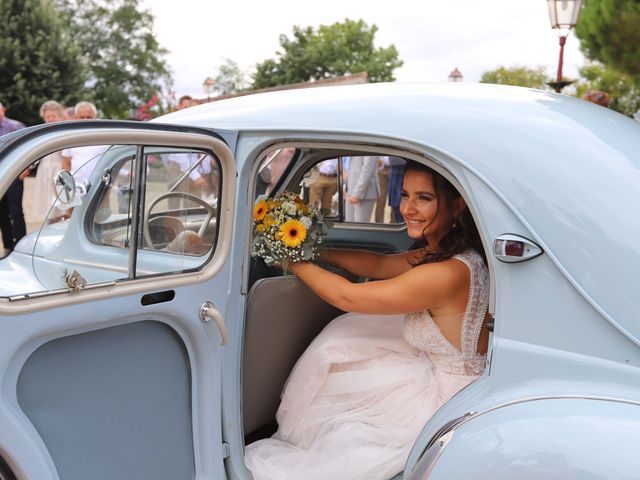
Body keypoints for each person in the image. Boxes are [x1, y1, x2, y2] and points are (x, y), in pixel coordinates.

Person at [245, 161, 489, 480]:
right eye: (404, 195)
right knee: (343, 341)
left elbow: (348, 296)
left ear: (456, 205)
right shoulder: (450, 254)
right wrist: (316, 251)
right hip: (444, 375)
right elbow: (379, 264)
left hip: (448, 397)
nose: (408, 208)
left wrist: (293, 261)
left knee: (345, 421)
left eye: (424, 198)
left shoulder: (446, 273)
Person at [29, 101, 66, 223]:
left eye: (53, 116)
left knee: (59, 201)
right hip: (45, 170)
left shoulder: (65, 132)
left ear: (60, 117)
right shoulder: (42, 133)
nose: (50, 119)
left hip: (59, 168)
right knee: (46, 202)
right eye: (47, 117)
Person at [0, 101, 27, 257]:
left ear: (3, 110)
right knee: (1, 212)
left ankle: (21, 245)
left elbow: (30, 147)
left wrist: (26, 168)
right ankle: (8, 245)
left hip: (14, 173)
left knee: (15, 210)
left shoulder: (16, 126)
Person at [61, 102, 108, 186]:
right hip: (76, 185)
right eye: (82, 117)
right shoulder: (70, 136)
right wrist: (69, 183)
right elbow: (66, 162)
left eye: (89, 117)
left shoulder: (104, 136)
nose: (86, 119)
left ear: (95, 117)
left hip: (99, 185)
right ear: (76, 118)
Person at [345, 155, 380, 222]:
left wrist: (357, 194)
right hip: (351, 191)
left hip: (364, 194)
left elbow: (368, 168)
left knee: (359, 229)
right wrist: (346, 188)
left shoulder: (369, 145)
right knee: (349, 226)